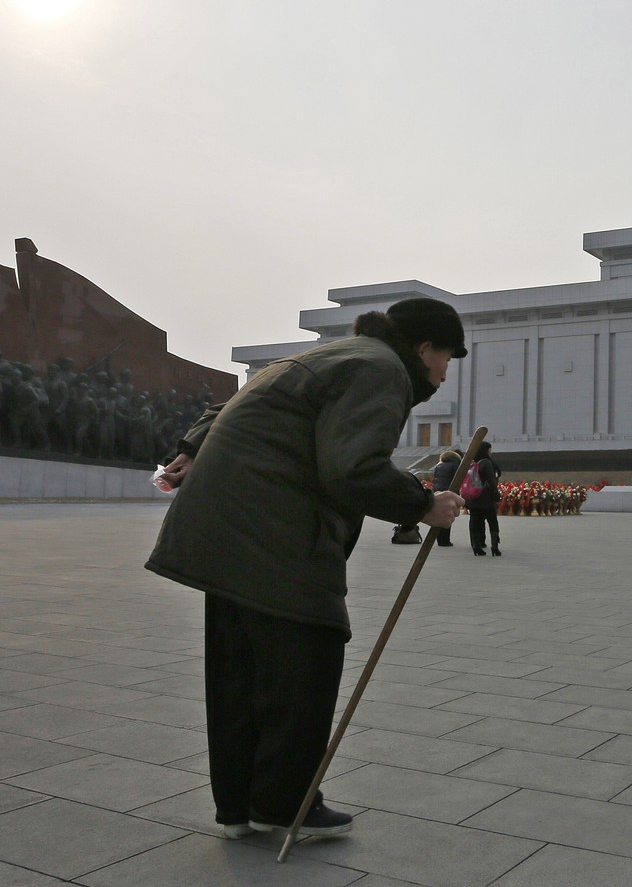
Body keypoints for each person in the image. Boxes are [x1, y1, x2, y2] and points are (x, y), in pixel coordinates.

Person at [145, 297, 466, 840]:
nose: (444, 373)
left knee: (240, 673)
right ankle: (284, 802)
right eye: (447, 358)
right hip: (275, 531)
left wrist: (194, 445)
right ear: (424, 347)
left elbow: (242, 401)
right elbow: (351, 467)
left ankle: (241, 806)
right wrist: (421, 505)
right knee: (306, 660)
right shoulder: (381, 369)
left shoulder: (334, 353)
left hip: (223, 527)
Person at [464, 439, 502, 556]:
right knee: (492, 521)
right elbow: (491, 481)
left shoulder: (473, 462)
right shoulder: (487, 463)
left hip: (474, 497)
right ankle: (494, 547)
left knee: (475, 521)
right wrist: (496, 495)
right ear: (486, 450)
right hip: (486, 497)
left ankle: (476, 546)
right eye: (489, 449)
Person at [428, 448, 463, 546]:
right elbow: (458, 478)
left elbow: (435, 479)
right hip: (449, 491)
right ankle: (445, 540)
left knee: (440, 515)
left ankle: (439, 539)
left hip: (438, 491)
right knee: (448, 516)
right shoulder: (455, 465)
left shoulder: (439, 465)